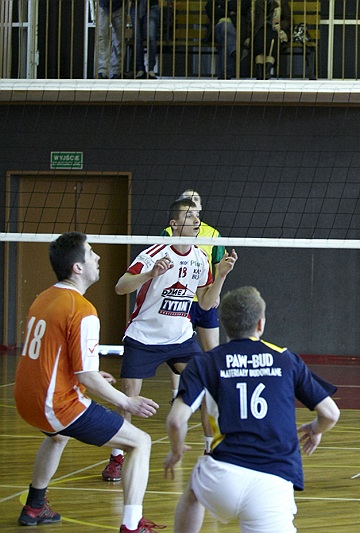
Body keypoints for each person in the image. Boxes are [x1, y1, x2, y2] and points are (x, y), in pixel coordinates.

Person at [14, 232, 163, 532]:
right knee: (140, 442)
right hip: (54, 405)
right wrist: (127, 401)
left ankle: (34, 506)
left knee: (57, 436)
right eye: (91, 252)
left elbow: (55, 357)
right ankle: (132, 525)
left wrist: (86, 375)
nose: (97, 257)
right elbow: (88, 377)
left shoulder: (44, 297)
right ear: (77, 268)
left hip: (26, 400)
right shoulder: (82, 310)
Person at [164, 286, 340, 532]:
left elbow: (175, 421)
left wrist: (175, 451)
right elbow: (331, 414)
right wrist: (316, 429)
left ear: (225, 325)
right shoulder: (286, 359)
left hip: (223, 477)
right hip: (272, 481)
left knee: (194, 491)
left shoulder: (206, 361)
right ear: (260, 324)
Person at [101, 198, 237, 482]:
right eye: (189, 216)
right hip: (143, 337)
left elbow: (206, 303)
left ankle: (211, 452)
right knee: (128, 399)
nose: (196, 220)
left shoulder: (200, 258)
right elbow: (120, 287)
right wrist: (149, 274)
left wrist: (221, 276)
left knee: (209, 388)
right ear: (174, 224)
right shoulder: (153, 253)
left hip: (180, 338)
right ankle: (116, 457)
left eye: (198, 216)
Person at [162, 189, 226, 453]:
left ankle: (211, 431)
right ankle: (179, 394)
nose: (193, 205)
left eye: (196, 201)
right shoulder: (168, 232)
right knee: (179, 348)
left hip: (204, 297)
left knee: (212, 357)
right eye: (188, 202)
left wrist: (216, 291)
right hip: (180, 301)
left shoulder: (213, 234)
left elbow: (219, 265)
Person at [207, 0, 282, 80]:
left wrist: (222, 6)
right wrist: (230, 12)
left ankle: (227, 70)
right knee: (226, 27)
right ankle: (235, 53)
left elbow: (243, 7)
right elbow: (210, 10)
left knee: (227, 40)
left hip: (238, 29)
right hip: (219, 28)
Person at [129, 0, 161, 79]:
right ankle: (140, 69)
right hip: (136, 5)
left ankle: (150, 69)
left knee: (151, 37)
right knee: (137, 38)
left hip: (151, 5)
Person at [95, 0, 124, 79]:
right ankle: (103, 70)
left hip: (120, 4)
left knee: (119, 39)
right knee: (102, 37)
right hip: (103, 4)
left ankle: (116, 70)